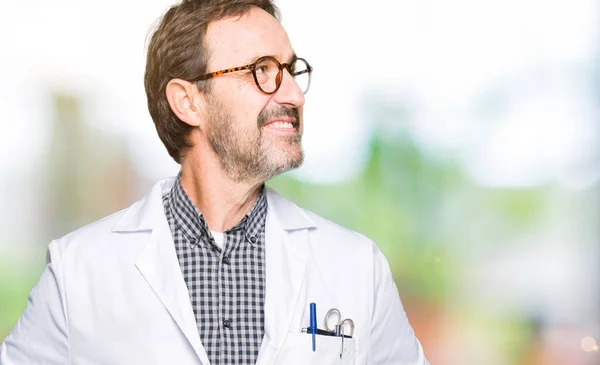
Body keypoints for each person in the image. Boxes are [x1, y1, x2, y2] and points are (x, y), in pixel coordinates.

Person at [0, 1, 429, 364]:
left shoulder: (356, 267)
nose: (294, 94)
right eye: (262, 70)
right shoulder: (77, 272)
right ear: (188, 102)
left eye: (291, 70)